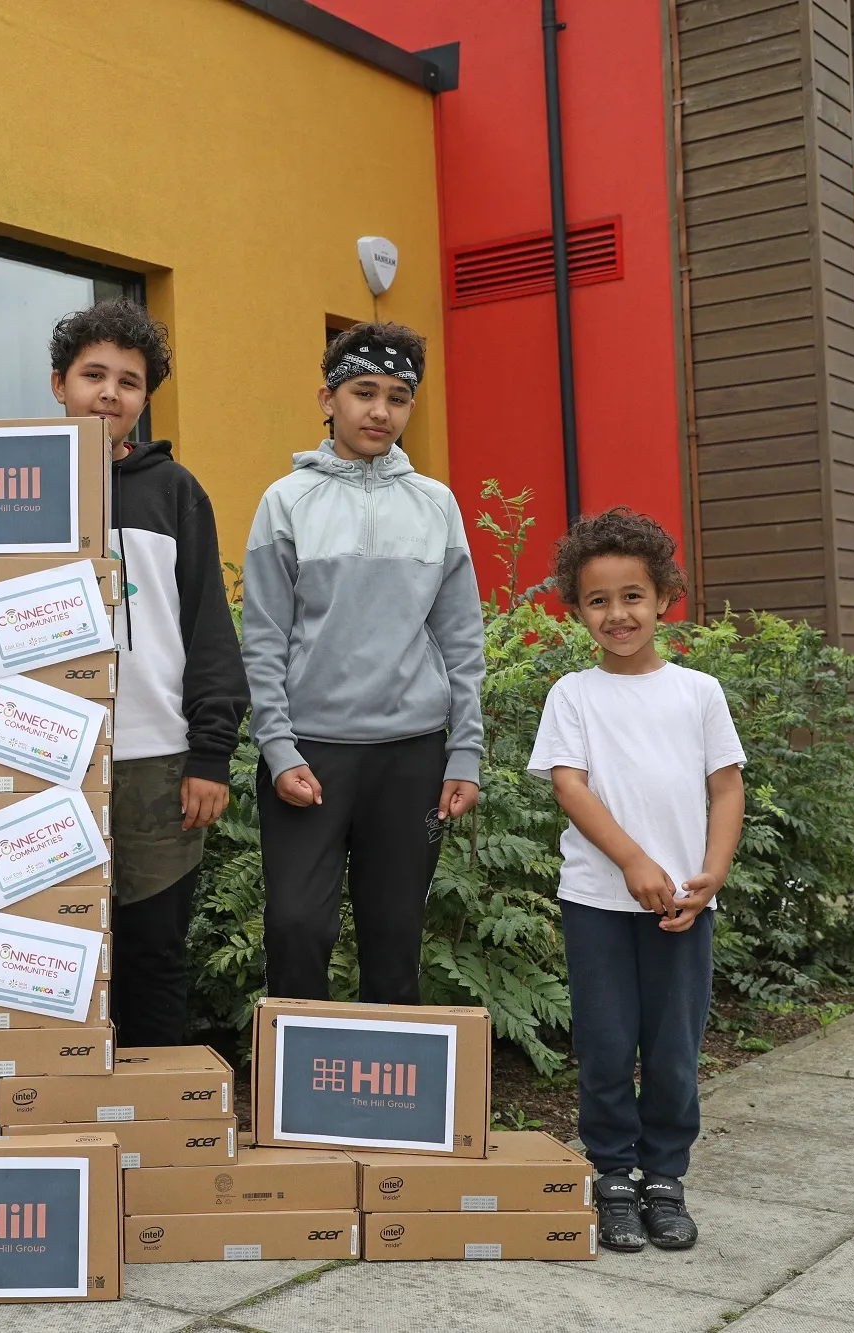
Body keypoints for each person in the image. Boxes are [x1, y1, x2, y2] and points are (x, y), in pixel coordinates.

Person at [240, 321, 484, 1005]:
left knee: (395, 940)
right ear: (329, 398)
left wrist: (464, 752)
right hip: (309, 754)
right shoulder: (285, 502)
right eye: (364, 392)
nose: (380, 411)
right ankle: (296, 1071)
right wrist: (278, 748)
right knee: (295, 928)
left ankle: (387, 1075)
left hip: (411, 756)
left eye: (398, 397)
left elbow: (462, 637)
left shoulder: (436, 505)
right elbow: (263, 636)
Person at [528, 508, 745, 1253]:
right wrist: (631, 860)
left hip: (684, 904)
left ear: (664, 599)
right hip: (596, 901)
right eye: (598, 600)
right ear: (576, 608)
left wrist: (712, 874)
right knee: (607, 1042)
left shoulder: (699, 692)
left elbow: (726, 787)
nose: (617, 614)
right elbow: (571, 786)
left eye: (632, 596)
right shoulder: (573, 694)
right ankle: (613, 1174)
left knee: (674, 1048)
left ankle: (664, 1177)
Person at [48, 300, 246, 1047]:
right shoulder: (22, 485)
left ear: (144, 398)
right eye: (93, 375)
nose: (109, 393)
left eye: (128, 382)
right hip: (39, 757)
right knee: (53, 952)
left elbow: (209, 629)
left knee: (153, 953)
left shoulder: (175, 491)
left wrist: (211, 754)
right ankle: (66, 1103)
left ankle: (151, 1107)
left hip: (157, 761)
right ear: (60, 383)